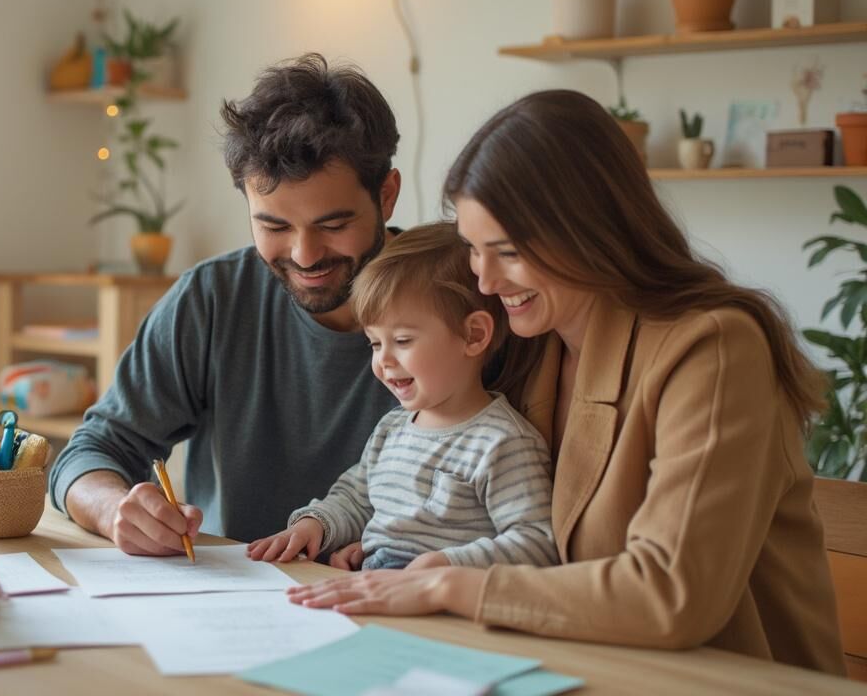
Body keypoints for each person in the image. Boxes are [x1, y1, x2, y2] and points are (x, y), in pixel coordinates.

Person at [286, 89, 846, 675]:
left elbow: (670, 594)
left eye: (507, 253)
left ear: (589, 230)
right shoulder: (534, 345)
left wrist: (447, 586)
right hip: (565, 666)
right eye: (476, 251)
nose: (485, 280)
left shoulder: (715, 349)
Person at [48, 53, 412, 551]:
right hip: (234, 596)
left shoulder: (459, 298)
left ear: (387, 196)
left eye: (333, 225)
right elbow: (91, 452)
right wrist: (116, 510)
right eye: (274, 226)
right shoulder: (213, 298)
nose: (305, 256)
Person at [247, 223, 556, 573]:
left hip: (442, 609)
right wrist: (314, 525)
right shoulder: (392, 428)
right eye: (375, 343)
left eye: (403, 341)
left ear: (474, 334)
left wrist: (444, 564)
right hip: (376, 591)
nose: (384, 361)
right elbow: (356, 498)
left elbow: (537, 542)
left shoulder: (502, 442)